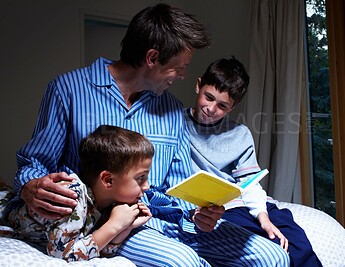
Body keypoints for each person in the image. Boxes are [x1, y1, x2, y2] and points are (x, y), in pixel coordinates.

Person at [7, 3, 289, 266]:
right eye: (179, 67)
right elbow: (34, 162)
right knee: (182, 262)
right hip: (113, 222)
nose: (181, 76)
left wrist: (199, 214)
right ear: (152, 58)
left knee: (271, 257)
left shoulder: (172, 109)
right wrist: (30, 185)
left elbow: (180, 185)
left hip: (170, 219)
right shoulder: (67, 89)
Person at [185, 57, 323, 267]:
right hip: (219, 210)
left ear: (233, 107)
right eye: (208, 97)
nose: (211, 109)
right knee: (268, 247)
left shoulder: (240, 134)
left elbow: (249, 182)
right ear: (198, 85)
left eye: (222, 105)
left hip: (247, 201)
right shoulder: (174, 124)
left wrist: (263, 217)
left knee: (299, 245)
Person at [8, 125, 153, 262]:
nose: (147, 186)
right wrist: (114, 225)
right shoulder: (71, 198)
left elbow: (98, 251)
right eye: (141, 177)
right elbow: (63, 255)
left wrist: (125, 227)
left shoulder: (111, 202)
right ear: (108, 180)